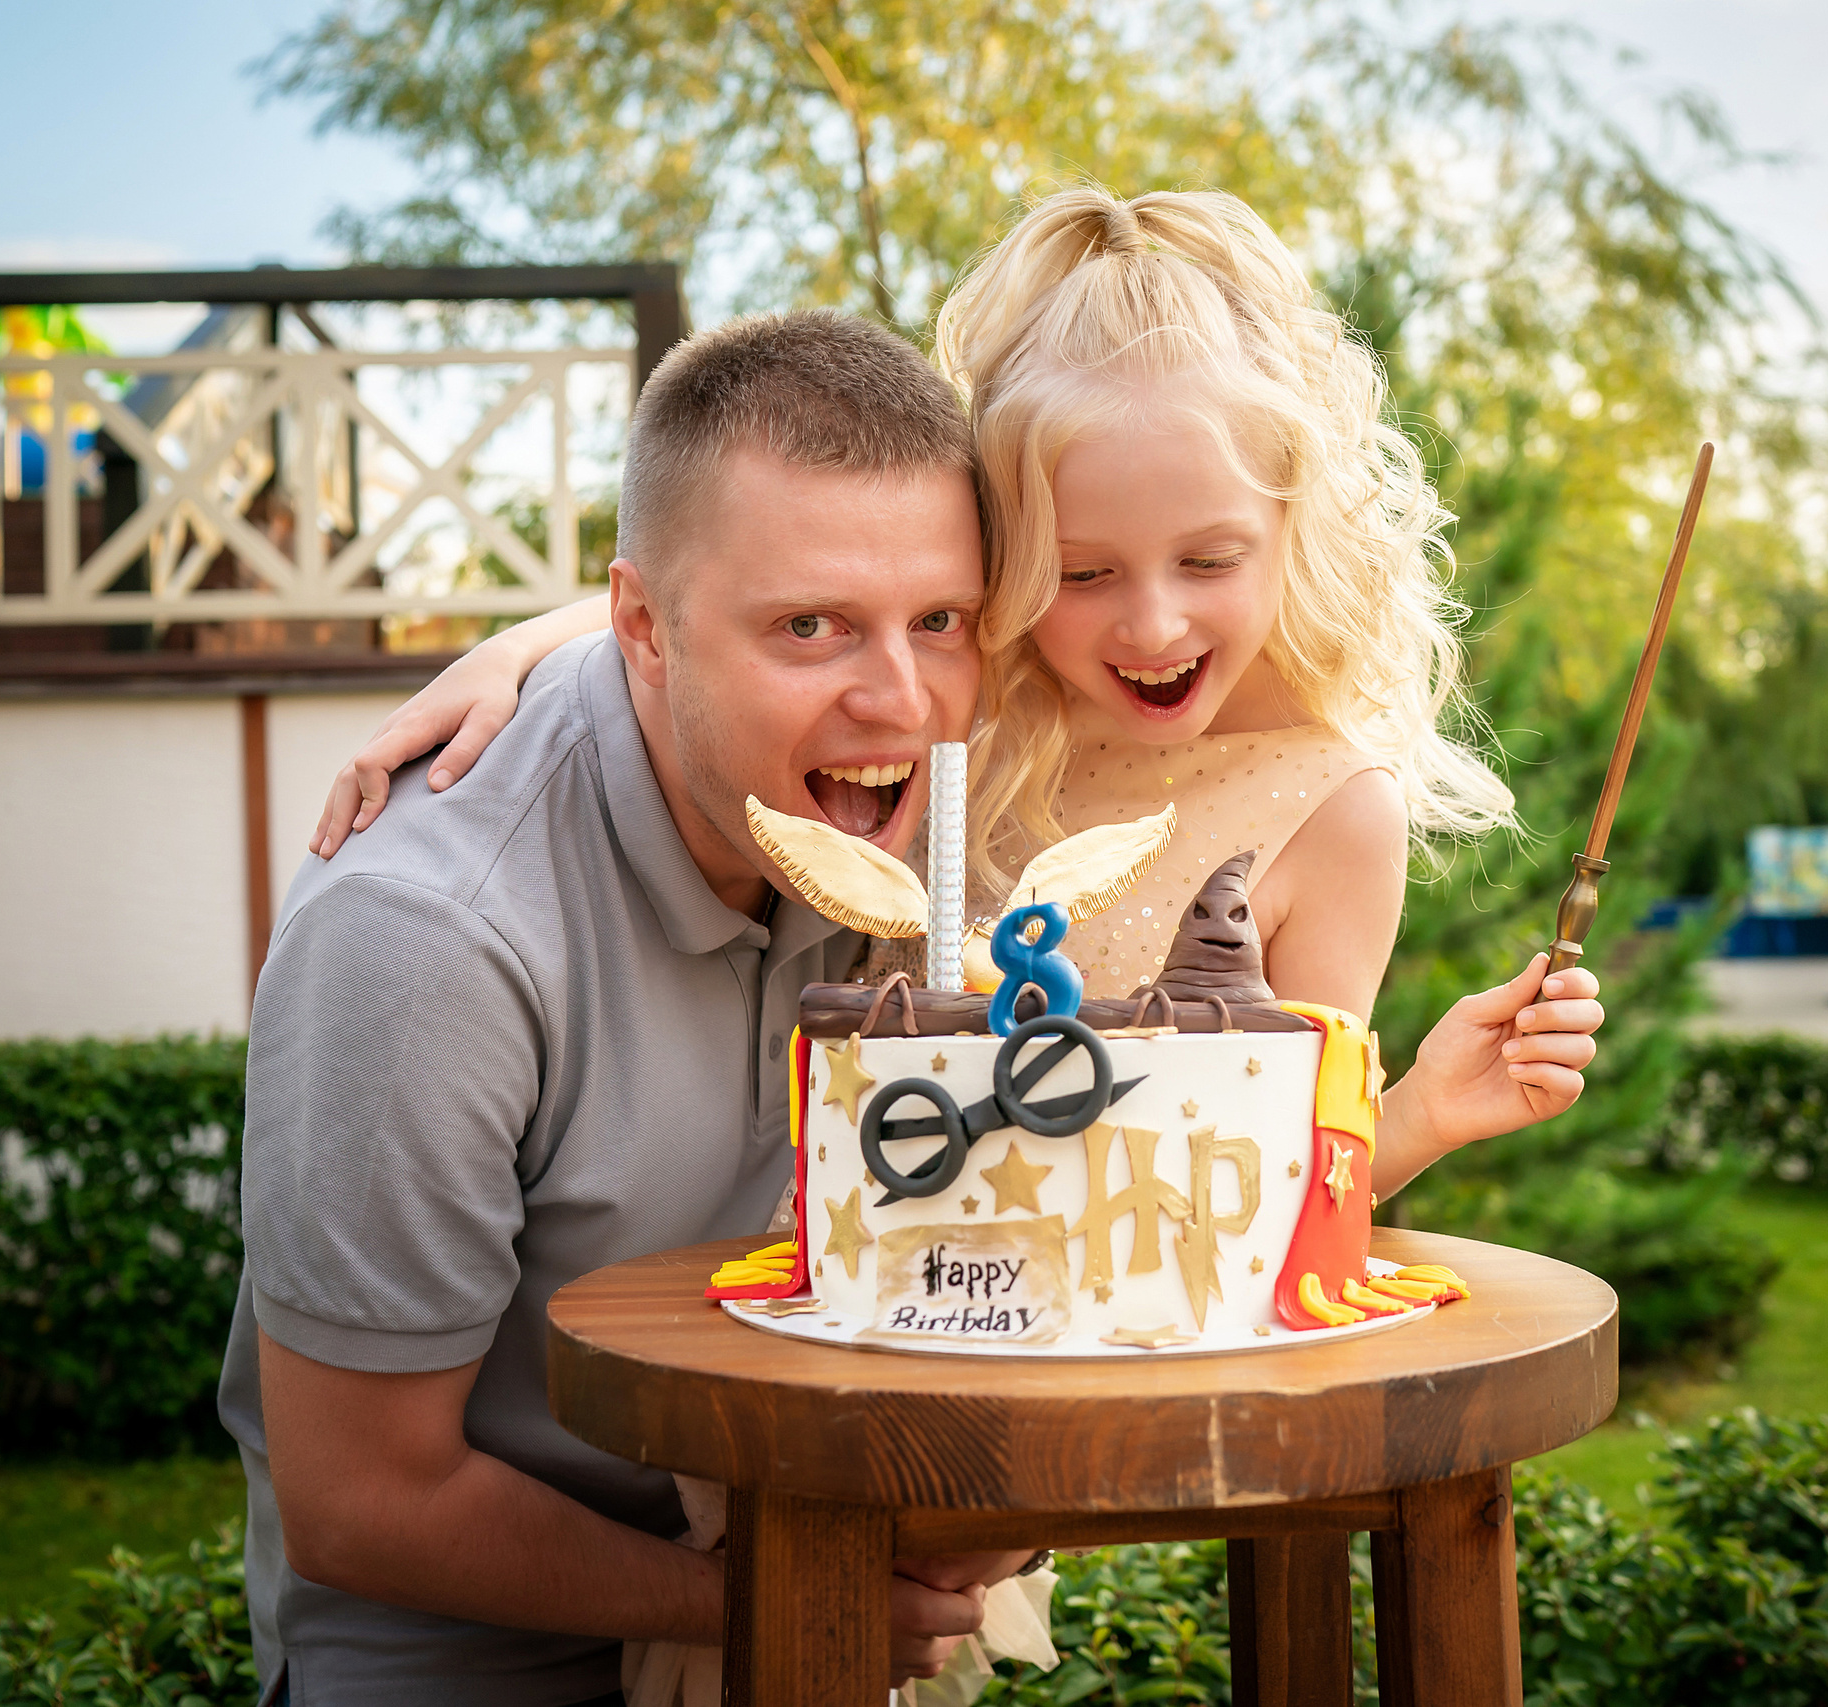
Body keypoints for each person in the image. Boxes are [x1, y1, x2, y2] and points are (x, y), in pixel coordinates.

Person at [318, 188, 1607, 1203]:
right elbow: (755, 586)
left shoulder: (1330, 812)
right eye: (1083, 572)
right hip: (851, 1312)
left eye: (1209, 561)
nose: (1152, 625)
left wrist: (1420, 1114)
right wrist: (527, 645)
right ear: (1005, 562)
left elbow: (1281, 1179)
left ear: (1293, 532)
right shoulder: (968, 708)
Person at [219, 310, 1035, 1707]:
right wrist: (790, 1602)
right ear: (645, 627)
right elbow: (362, 1501)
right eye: (810, 626)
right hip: (486, 1675)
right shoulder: (425, 941)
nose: (902, 701)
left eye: (939, 621)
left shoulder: (913, 842)